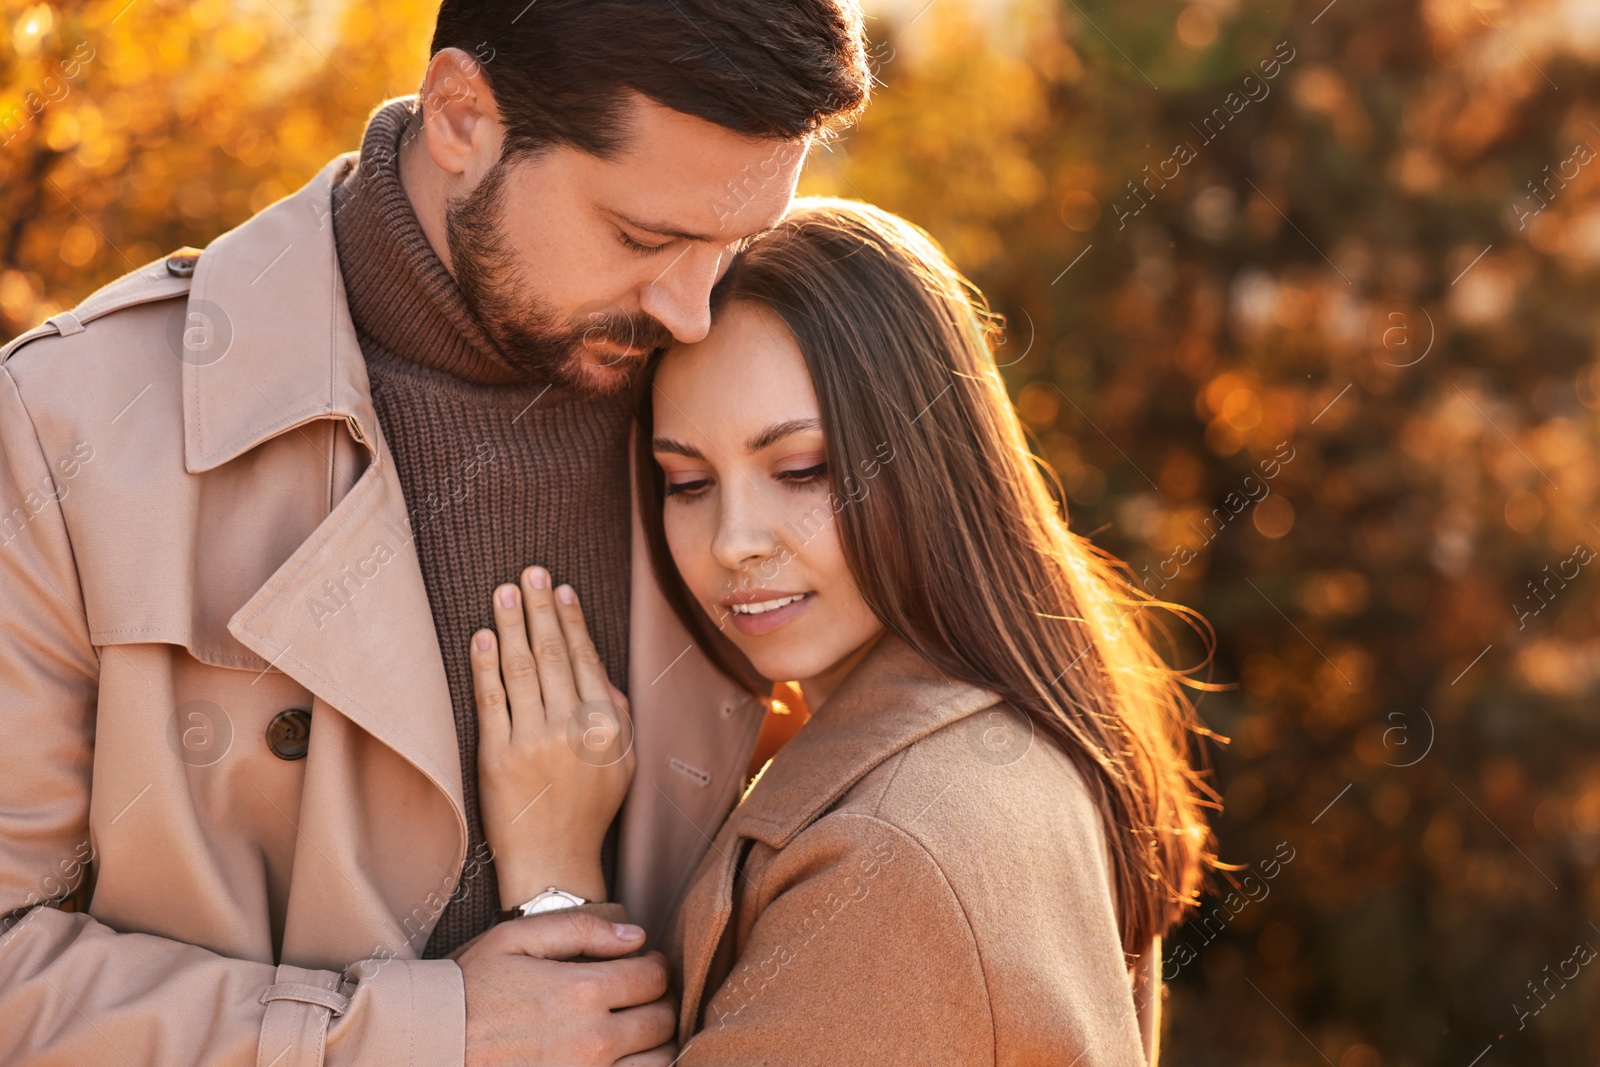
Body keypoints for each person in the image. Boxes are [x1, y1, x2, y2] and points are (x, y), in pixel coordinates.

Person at [0, 4, 869, 1065]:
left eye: (734, 243)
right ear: (461, 115)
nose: (690, 310)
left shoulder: (743, 418)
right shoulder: (67, 425)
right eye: (643, 237)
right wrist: (422, 1033)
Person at [471, 198, 1218, 1065]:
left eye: (801, 469)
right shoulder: (1001, 732)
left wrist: (554, 885)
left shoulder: (889, 853)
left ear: (930, 458)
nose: (734, 540)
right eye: (685, 481)